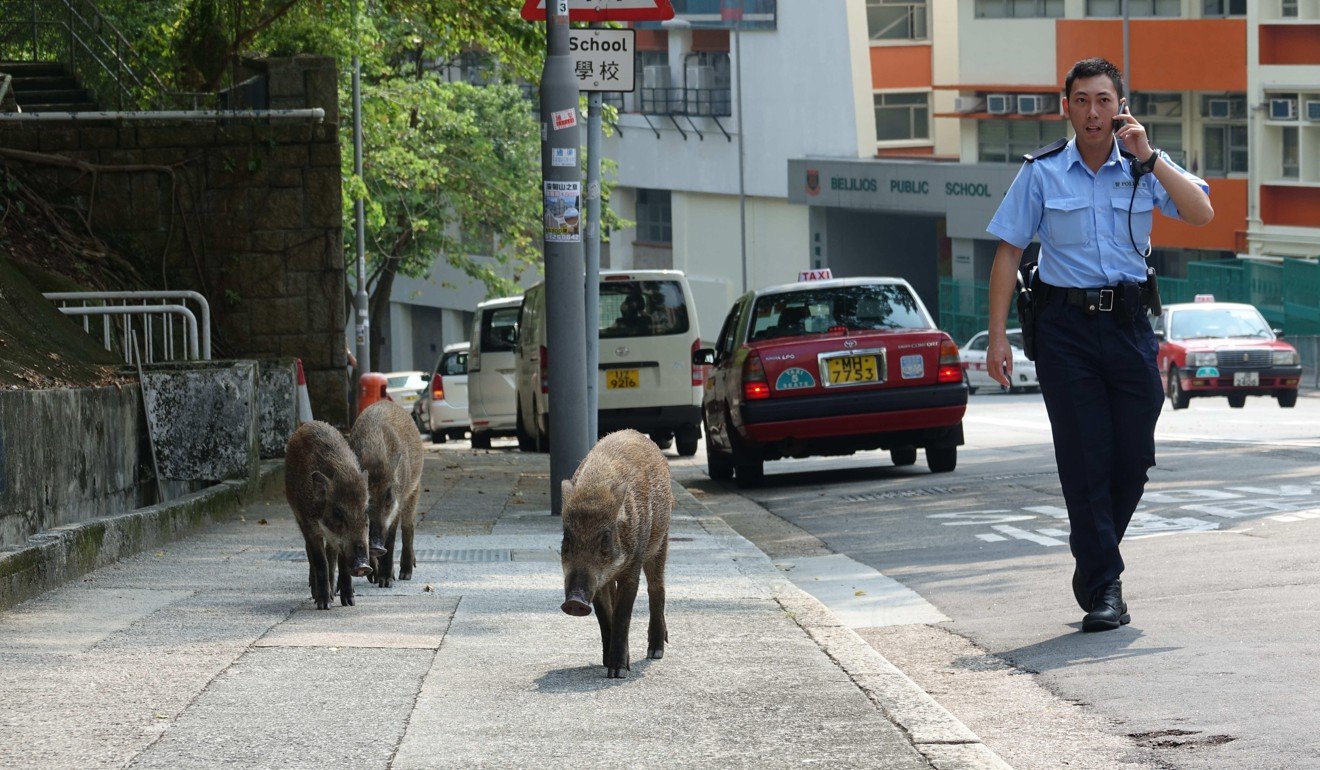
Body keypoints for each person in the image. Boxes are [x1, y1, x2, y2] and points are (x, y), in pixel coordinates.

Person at [984, 58, 1214, 633]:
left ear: (1121, 106)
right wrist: (995, 338)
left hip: (1131, 324)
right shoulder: (1041, 172)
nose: (1093, 112)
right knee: (1085, 457)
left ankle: (1091, 549)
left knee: (1133, 455)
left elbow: (1202, 212)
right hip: (1065, 331)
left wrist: (1151, 157)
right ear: (1067, 107)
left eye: (1104, 100)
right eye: (1082, 100)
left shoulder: (1141, 169)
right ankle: (1104, 586)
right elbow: (1009, 252)